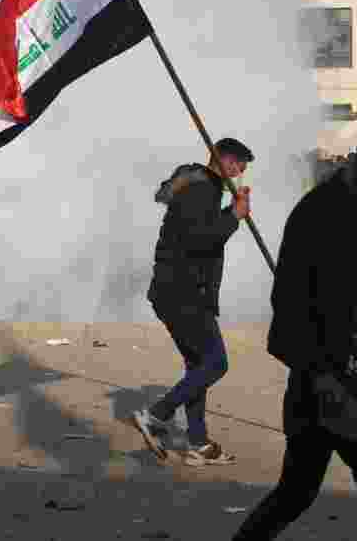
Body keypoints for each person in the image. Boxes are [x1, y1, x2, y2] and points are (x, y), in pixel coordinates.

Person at [231, 116, 357, 541]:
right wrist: (322, 380)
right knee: (300, 492)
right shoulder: (316, 212)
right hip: (318, 382)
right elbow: (286, 306)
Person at [133, 137, 254, 466]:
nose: (241, 172)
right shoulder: (203, 189)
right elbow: (199, 239)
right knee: (216, 364)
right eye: (239, 164)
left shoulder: (200, 184)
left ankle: (198, 443)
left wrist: (230, 211)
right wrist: (235, 215)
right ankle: (156, 415)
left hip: (175, 292)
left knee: (198, 366)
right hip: (183, 293)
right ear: (225, 160)